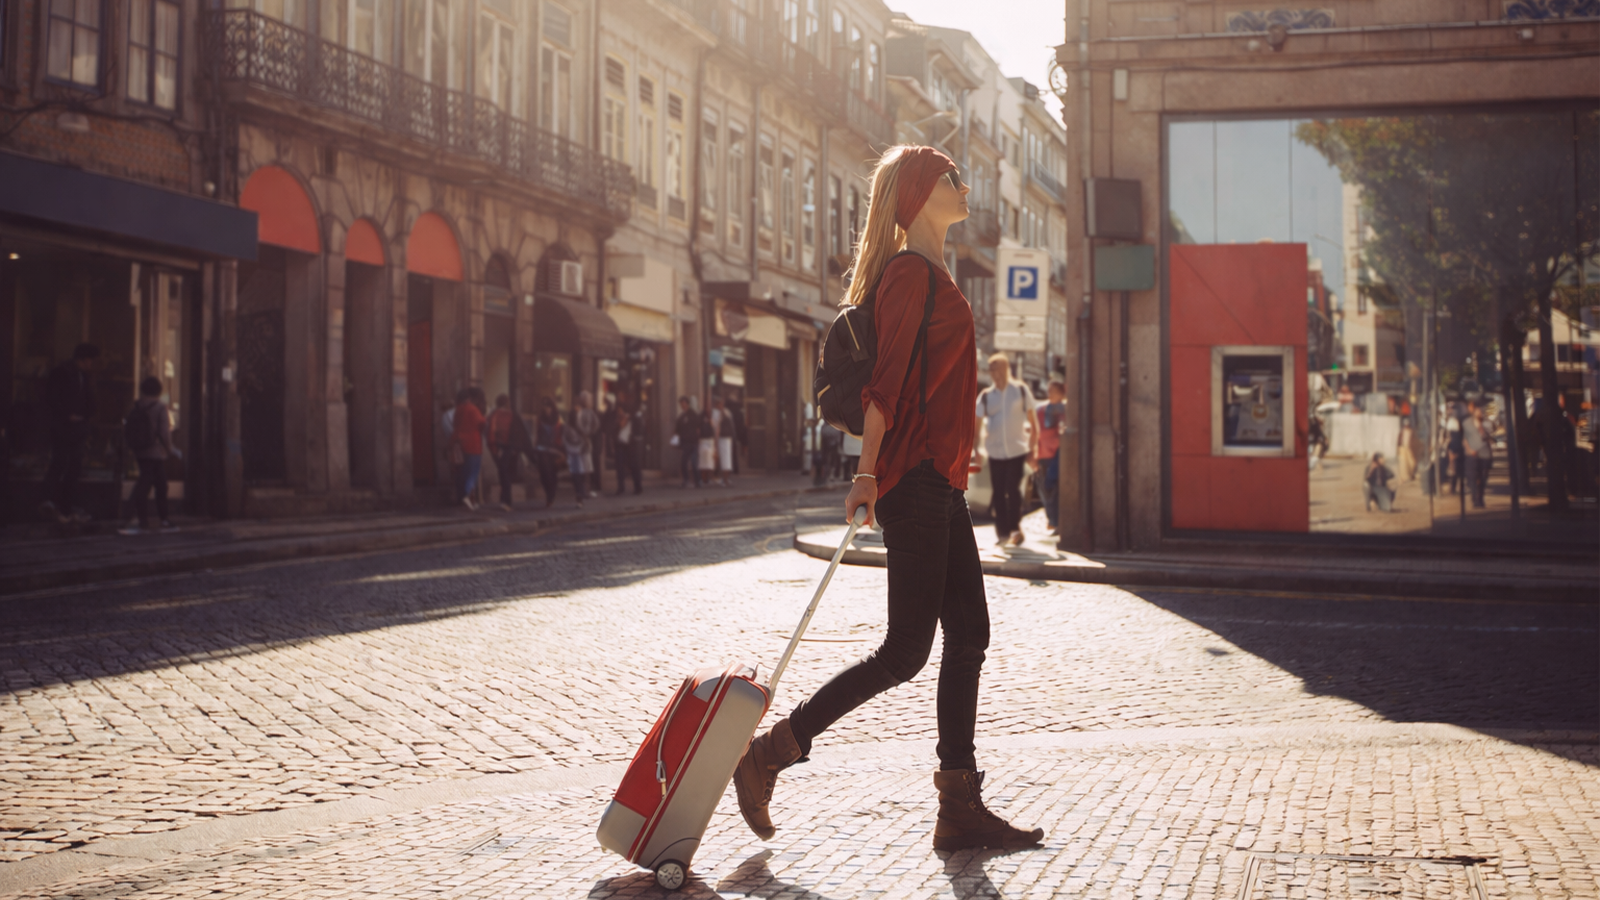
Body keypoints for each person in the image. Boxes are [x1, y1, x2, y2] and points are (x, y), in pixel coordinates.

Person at [734, 145, 1043, 853]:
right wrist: (867, 475)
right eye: (951, 177)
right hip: (914, 480)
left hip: (942, 480)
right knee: (906, 650)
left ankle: (958, 804)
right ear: (920, 194)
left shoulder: (938, 271)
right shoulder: (909, 275)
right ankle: (771, 752)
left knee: (969, 635)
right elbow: (888, 385)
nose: (963, 185)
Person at [975, 353, 1037, 547]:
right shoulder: (986, 396)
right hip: (995, 452)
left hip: (1017, 450)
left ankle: (1015, 529)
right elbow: (976, 427)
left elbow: (1033, 423)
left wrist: (1033, 449)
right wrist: (977, 450)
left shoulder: (1020, 391)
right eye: (991, 369)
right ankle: (1002, 533)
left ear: (1005, 369)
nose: (993, 373)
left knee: (1013, 489)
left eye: (996, 368)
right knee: (999, 492)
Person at [40, 343, 100, 524]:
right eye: (90, 360)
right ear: (82, 359)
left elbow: (89, 400)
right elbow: (52, 397)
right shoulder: (63, 372)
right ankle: (50, 501)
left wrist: (87, 415)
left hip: (78, 426)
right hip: (64, 426)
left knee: (73, 466)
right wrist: (67, 414)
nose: (91, 364)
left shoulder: (83, 375)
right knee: (60, 462)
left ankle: (64, 505)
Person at [118, 376, 180, 535]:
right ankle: (161, 518)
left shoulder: (136, 406)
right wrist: (170, 450)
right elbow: (164, 433)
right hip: (155, 452)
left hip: (140, 450)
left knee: (147, 482)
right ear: (159, 390)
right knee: (159, 485)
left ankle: (142, 518)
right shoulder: (160, 407)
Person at [1034, 380, 1067, 533]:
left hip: (1059, 453)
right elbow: (1035, 432)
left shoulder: (1066, 409)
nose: (1050, 393)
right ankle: (1052, 519)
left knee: (1053, 486)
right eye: (1049, 390)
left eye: (1054, 390)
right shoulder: (1041, 410)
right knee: (1044, 489)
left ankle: (1056, 521)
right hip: (1043, 453)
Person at [453, 388, 487, 510]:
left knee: (462, 473)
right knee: (472, 474)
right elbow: (482, 423)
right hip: (473, 445)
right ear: (469, 398)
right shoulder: (472, 409)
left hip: (459, 444)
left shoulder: (458, 410)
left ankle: (462, 498)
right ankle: (468, 499)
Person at [486, 393, 518, 511]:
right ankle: (506, 500)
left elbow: (490, 433)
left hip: (498, 447)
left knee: (503, 473)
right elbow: (515, 432)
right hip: (508, 447)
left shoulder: (493, 415)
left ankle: (505, 500)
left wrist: (493, 450)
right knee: (505, 473)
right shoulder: (511, 415)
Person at [532, 399, 564, 507]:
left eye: (548, 406)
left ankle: (551, 495)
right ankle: (549, 493)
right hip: (542, 448)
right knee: (543, 473)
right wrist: (535, 446)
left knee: (552, 473)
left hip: (555, 449)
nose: (546, 409)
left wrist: (563, 451)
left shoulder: (558, 418)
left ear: (552, 407)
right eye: (544, 406)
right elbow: (537, 433)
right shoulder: (539, 419)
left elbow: (562, 434)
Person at [562, 398, 593, 508]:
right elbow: (569, 437)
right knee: (578, 475)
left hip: (578, 452)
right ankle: (580, 496)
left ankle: (580, 495)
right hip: (576, 452)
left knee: (579, 475)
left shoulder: (580, 418)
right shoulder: (573, 420)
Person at [1462, 402, 1493, 509]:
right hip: (1472, 455)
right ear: (1474, 411)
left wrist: (1481, 427)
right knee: (1473, 477)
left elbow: (1489, 438)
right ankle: (1474, 498)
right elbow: (1464, 439)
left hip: (1484, 454)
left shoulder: (1487, 423)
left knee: (1483, 477)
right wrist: (1470, 450)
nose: (1480, 412)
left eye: (1481, 411)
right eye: (1478, 410)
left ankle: (1481, 498)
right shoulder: (1467, 423)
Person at [571, 391, 601, 498]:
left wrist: (584, 432)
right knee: (585, 468)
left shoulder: (579, 411)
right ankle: (585, 490)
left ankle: (581, 490)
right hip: (585, 442)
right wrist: (589, 433)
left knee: (580, 467)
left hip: (579, 442)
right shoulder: (590, 411)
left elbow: (577, 425)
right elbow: (597, 424)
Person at [613, 394, 644, 496]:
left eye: (621, 409)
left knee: (634, 466)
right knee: (620, 467)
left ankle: (638, 487)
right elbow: (617, 426)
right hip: (621, 444)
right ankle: (621, 488)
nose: (619, 411)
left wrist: (627, 418)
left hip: (631, 445)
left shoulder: (635, 416)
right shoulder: (618, 418)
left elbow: (639, 429)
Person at [674, 396, 702, 488]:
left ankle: (697, 481)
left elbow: (698, 427)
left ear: (687, 404)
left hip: (693, 442)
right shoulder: (681, 417)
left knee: (694, 462)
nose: (683, 405)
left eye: (684, 403)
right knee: (683, 462)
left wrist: (697, 439)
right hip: (685, 443)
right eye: (681, 404)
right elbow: (677, 430)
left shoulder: (693, 414)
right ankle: (686, 480)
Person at [711, 395, 734, 486]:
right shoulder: (726, 412)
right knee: (726, 459)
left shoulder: (716, 413)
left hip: (722, 438)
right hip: (726, 438)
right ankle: (725, 479)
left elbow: (715, 427)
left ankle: (724, 479)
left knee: (724, 459)